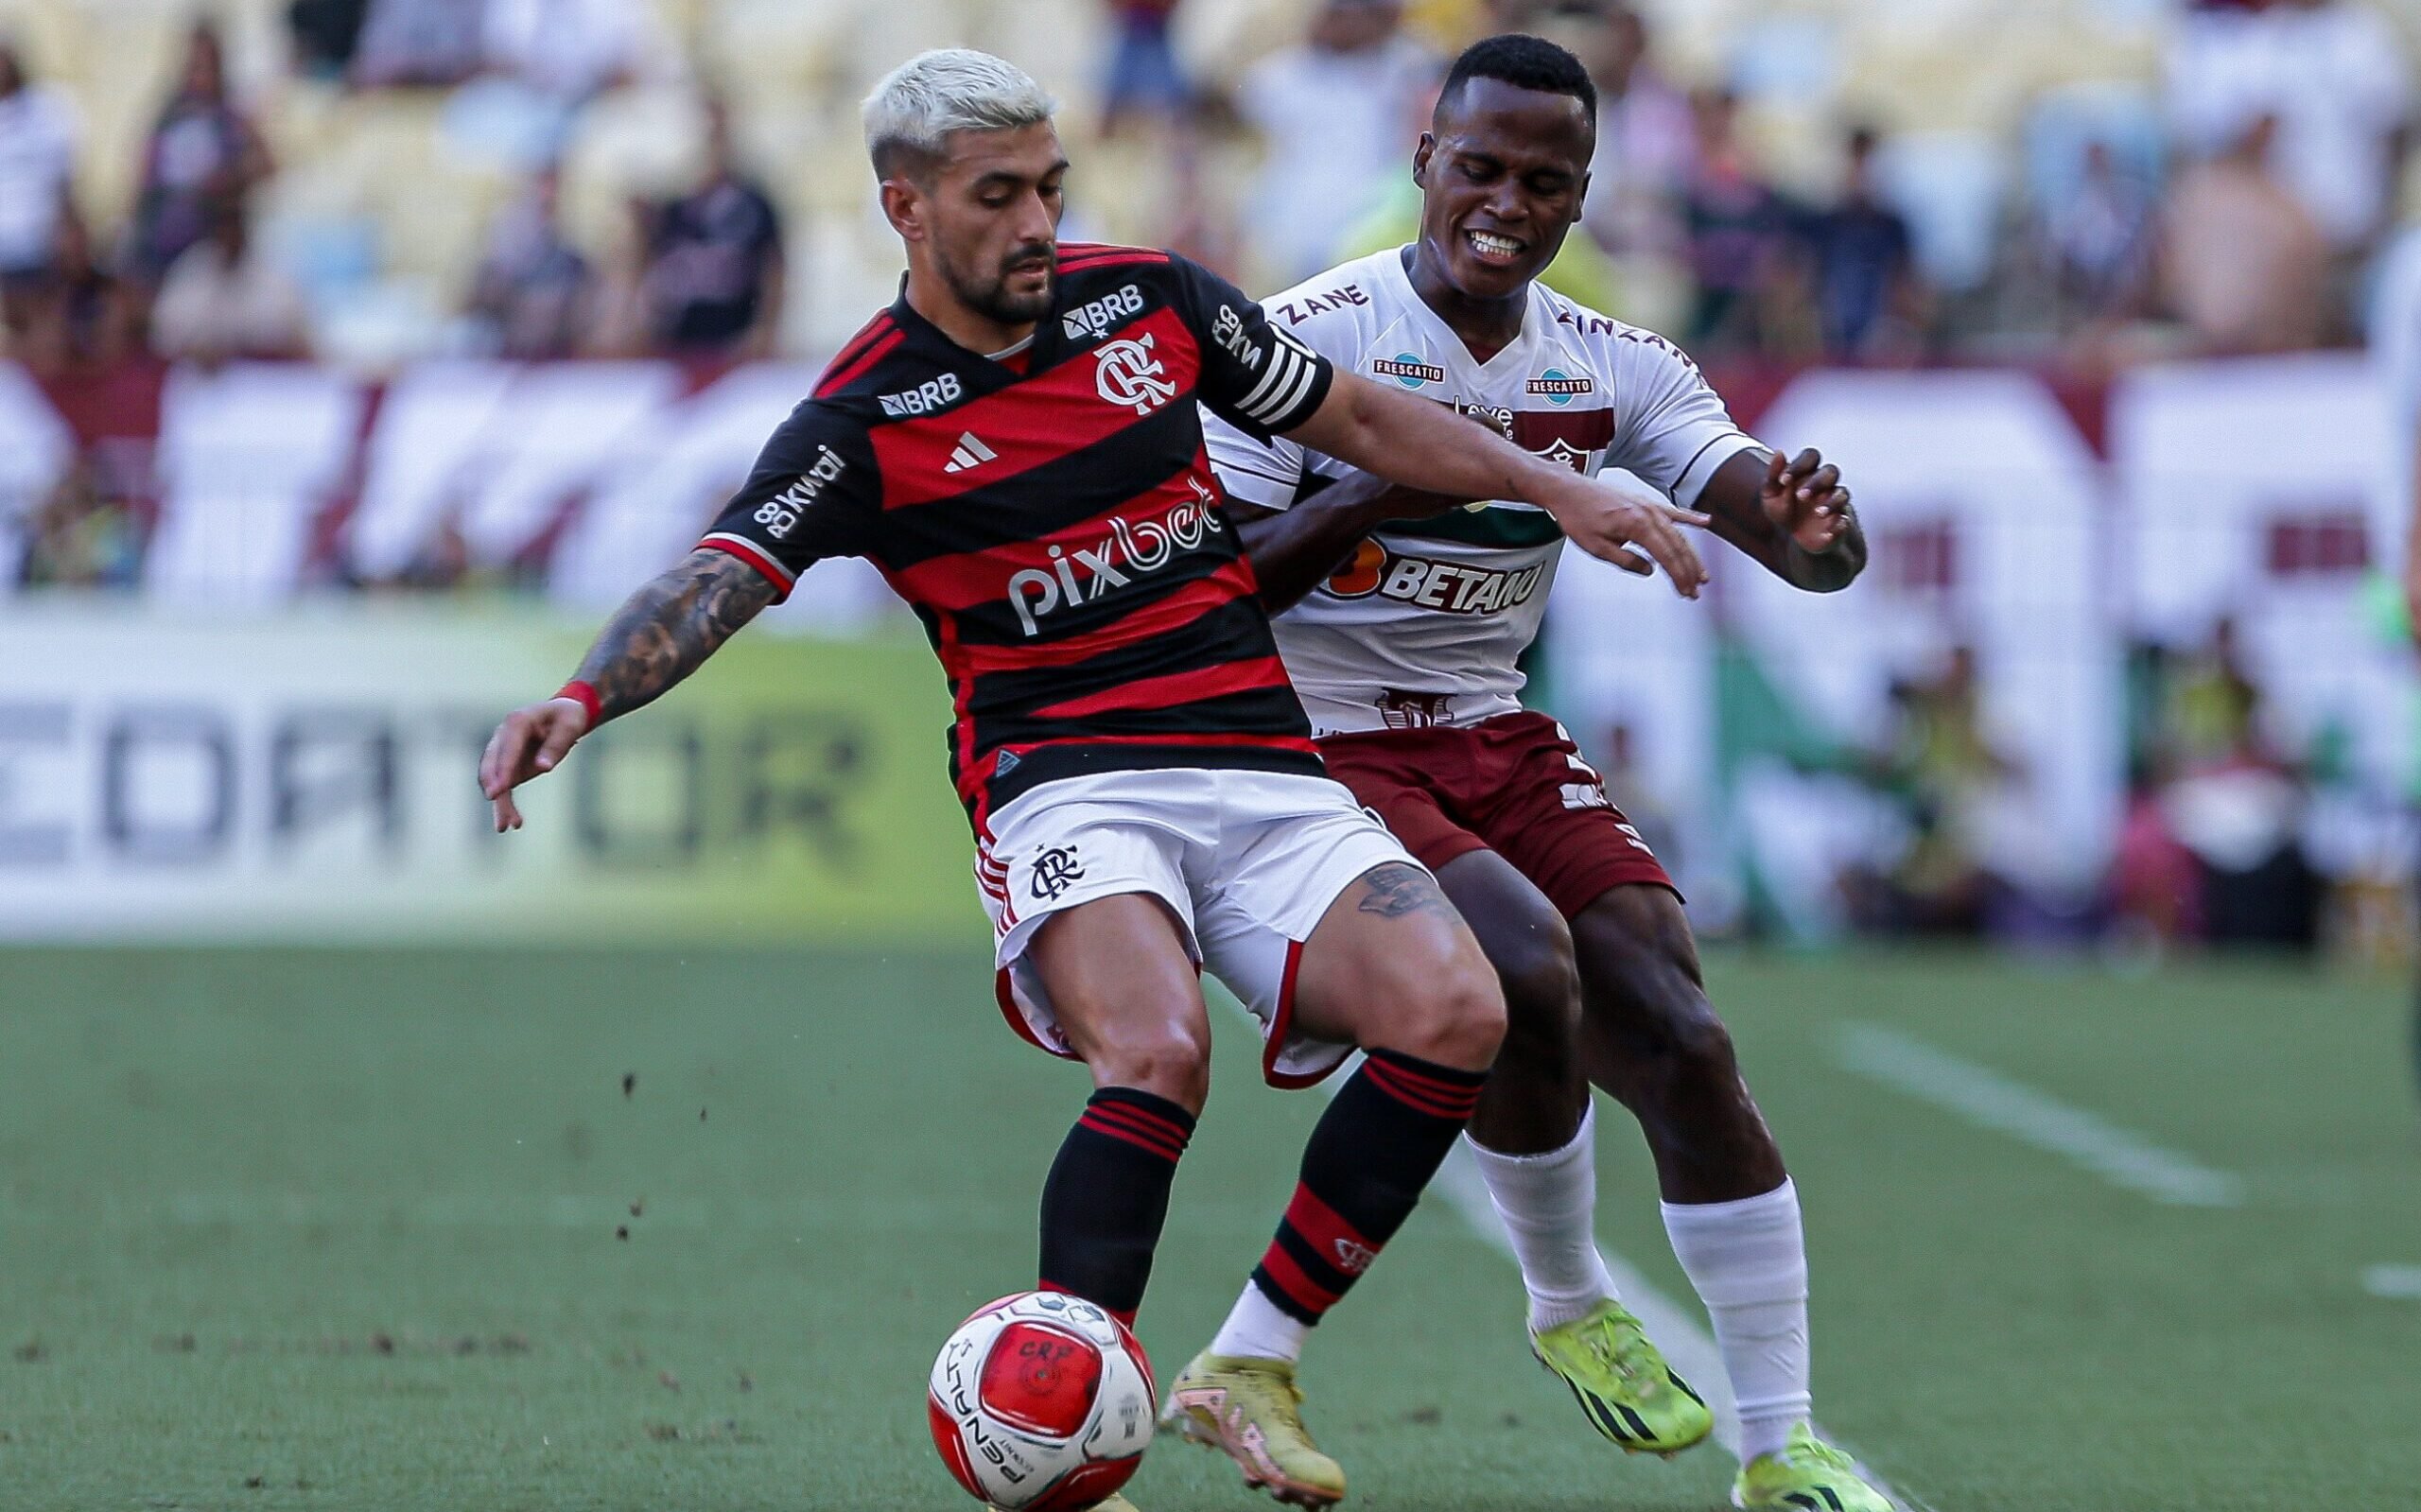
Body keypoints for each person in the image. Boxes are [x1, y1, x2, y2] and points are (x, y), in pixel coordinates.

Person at [477, 47, 1716, 1512]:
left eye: (1049, 188)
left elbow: (1363, 420)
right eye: (997, 196)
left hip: (1262, 761)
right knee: (1161, 1045)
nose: (1036, 224)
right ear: (908, 209)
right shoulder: (863, 420)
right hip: (1071, 783)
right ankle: (1074, 1422)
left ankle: (1245, 1363)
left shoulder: (1153, 301)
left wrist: (1566, 485)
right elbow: (719, 575)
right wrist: (582, 694)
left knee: (1458, 1006)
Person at [1194, 35, 1889, 1512]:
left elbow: (1777, 523)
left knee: (1685, 1032)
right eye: (1482, 167)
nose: (1506, 202)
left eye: (1545, 180)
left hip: (1489, 730)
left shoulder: (1614, 358)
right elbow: (1215, 594)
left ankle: (1782, 1447)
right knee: (1518, 960)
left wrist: (1820, 530)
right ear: (1423, 156)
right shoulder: (1305, 336)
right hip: (1312, 733)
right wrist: (1409, 469)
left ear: (1582, 193)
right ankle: (1571, 1297)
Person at [1235, 0, 1440, 287]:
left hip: (1371, 226)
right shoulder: (1278, 77)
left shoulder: (1405, 69)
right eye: (1339, 14)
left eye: (1362, 14)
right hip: (1290, 231)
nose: (1350, 24)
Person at [123, 22, 272, 291]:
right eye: (195, 65)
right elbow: (142, 179)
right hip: (159, 241)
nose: (201, 74)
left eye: (207, 65)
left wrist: (231, 178)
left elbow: (266, 165)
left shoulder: (232, 117)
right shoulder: (166, 118)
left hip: (207, 241)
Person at [639, 97, 784, 357]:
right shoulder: (676, 208)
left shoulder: (754, 204)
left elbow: (773, 268)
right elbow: (653, 270)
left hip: (734, 337)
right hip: (681, 338)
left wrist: (764, 329)